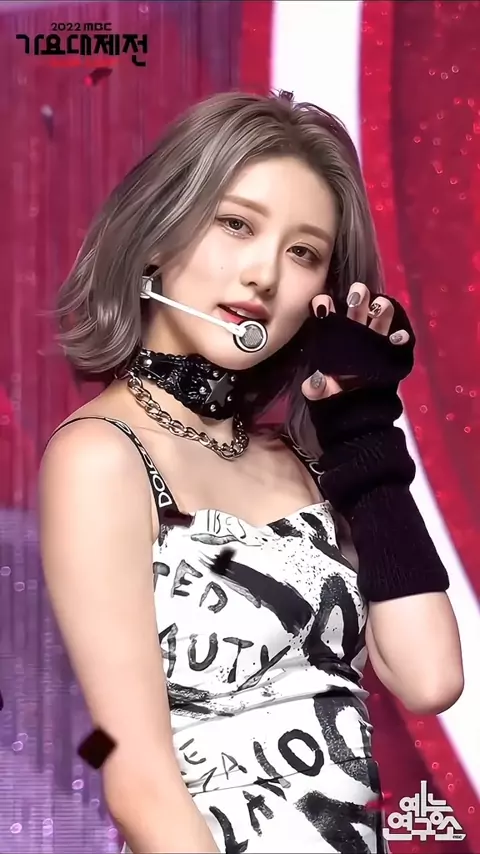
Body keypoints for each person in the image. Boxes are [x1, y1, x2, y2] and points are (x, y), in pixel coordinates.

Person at [39, 91, 464, 854]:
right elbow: (136, 778)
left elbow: (430, 678)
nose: (264, 274)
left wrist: (363, 431)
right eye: (236, 224)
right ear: (159, 234)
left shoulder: (302, 460)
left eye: (304, 253)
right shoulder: (102, 457)